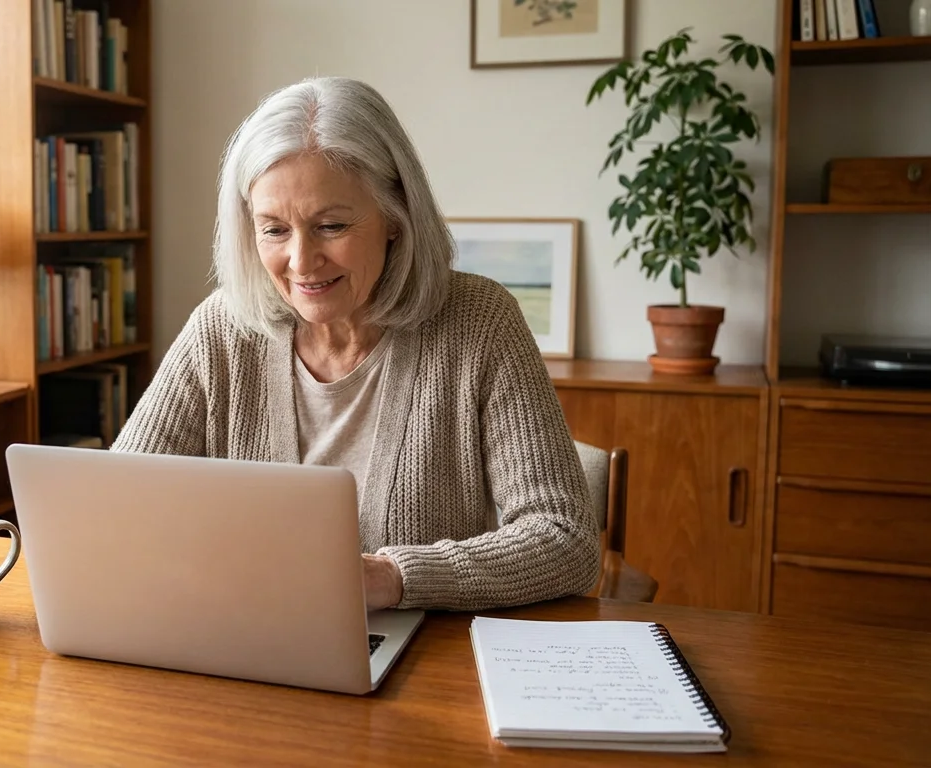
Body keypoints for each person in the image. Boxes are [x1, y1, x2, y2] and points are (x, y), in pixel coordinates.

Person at [110, 76, 598, 612]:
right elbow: (120, 503)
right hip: (246, 639)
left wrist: (394, 578)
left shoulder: (480, 323)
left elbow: (565, 539)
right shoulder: (223, 328)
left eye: (331, 225)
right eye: (273, 230)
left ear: (395, 217)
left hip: (425, 664)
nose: (301, 262)